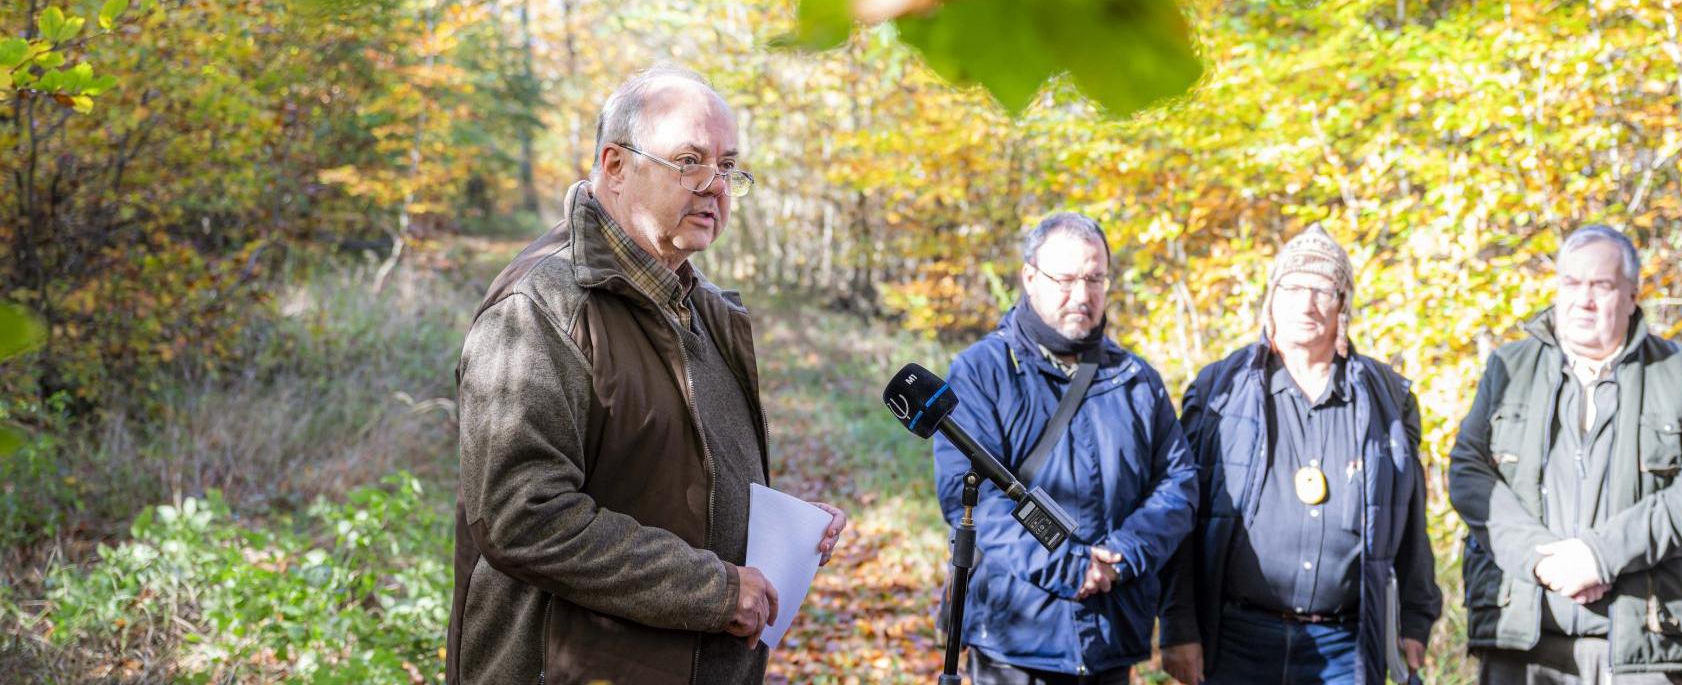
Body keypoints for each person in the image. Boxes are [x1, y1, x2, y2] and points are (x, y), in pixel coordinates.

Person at [446, 65, 847, 684]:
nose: (715, 186)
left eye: (728, 166)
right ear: (615, 165)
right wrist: (714, 589)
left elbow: (669, 476)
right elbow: (523, 517)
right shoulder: (540, 306)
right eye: (689, 161)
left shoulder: (700, 307)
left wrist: (783, 532)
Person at [1158, 224, 1442, 685]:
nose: (1306, 305)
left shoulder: (1388, 397)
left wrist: (1415, 619)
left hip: (1344, 647)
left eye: (1323, 290)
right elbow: (1182, 516)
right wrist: (1178, 626)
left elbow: (1409, 519)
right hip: (1236, 640)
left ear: (1343, 305)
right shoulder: (1218, 389)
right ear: (1272, 299)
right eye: (1292, 288)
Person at [1448, 225, 1682, 684]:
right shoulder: (1509, 368)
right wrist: (1540, 558)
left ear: (1632, 295)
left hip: (1641, 647)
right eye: (1571, 283)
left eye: (1601, 285)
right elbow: (1468, 472)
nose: (1584, 300)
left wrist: (1600, 555)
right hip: (1521, 637)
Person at [934, 212, 1197, 684]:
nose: (1082, 295)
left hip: (1111, 636)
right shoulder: (981, 372)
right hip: (1014, 641)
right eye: (1066, 279)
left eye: (1095, 279)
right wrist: (1070, 568)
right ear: (1030, 277)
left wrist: (1122, 555)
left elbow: (1178, 487)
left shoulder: (1136, 380)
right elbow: (970, 498)